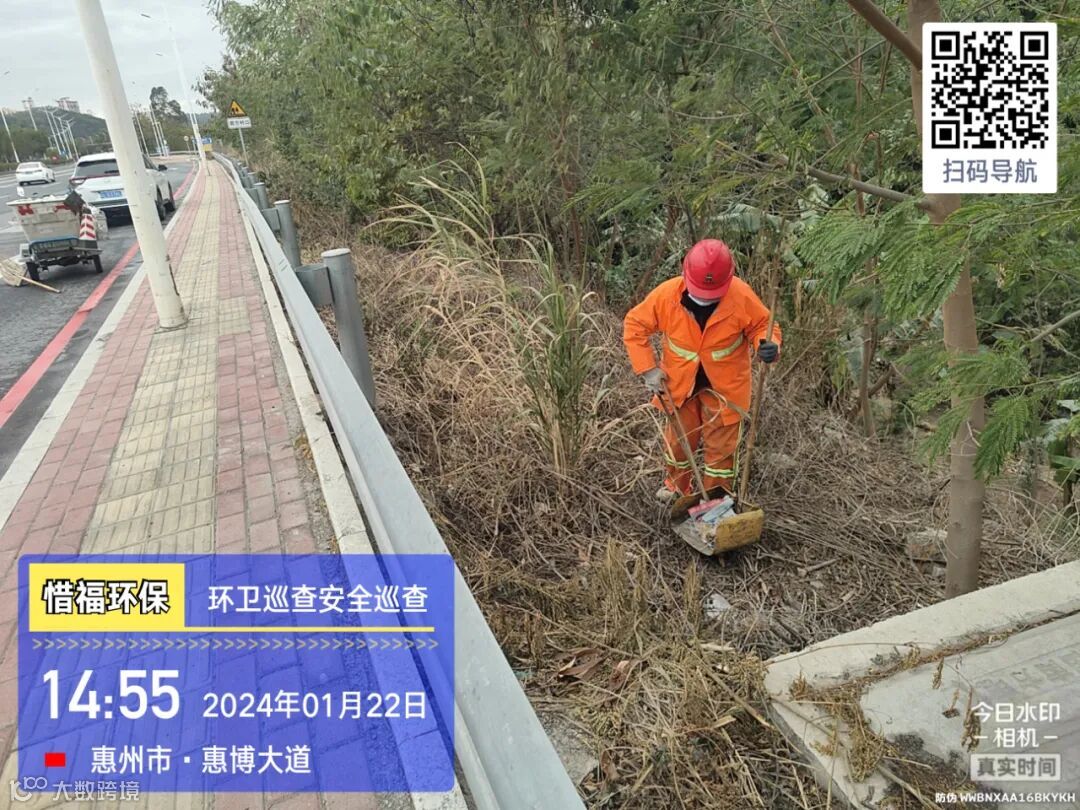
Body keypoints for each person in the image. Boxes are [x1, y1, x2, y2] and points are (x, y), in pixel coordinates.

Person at [623, 238, 780, 502]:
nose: (704, 298)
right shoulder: (667, 295)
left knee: (721, 454)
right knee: (678, 443)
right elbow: (635, 324)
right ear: (685, 274)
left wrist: (768, 344)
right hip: (679, 387)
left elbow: (763, 325)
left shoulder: (741, 296)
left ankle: (716, 502)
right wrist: (648, 369)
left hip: (726, 391)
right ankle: (676, 489)